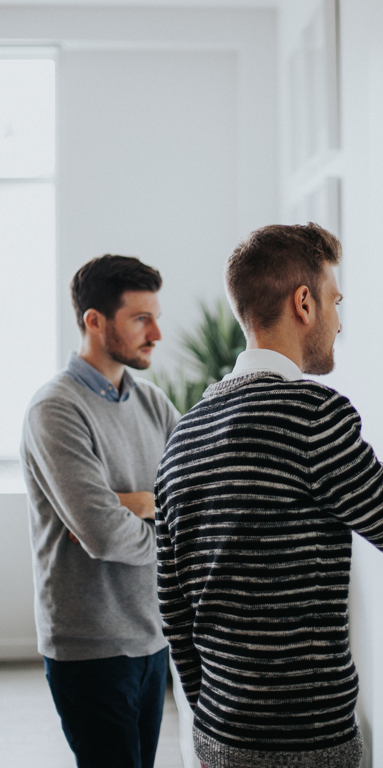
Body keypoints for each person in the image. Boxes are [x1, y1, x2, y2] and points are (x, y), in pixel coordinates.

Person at [155, 223, 383, 768]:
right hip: (307, 743)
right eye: (334, 301)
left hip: (217, 736)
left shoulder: (186, 432)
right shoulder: (313, 416)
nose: (339, 321)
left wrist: (214, 725)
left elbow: (174, 606)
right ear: (304, 302)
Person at [21, 255, 180, 768]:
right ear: (94, 320)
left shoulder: (153, 403)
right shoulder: (55, 409)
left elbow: (199, 495)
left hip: (153, 635)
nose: (156, 332)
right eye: (140, 318)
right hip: (90, 647)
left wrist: (130, 503)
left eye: (155, 316)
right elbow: (103, 536)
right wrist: (161, 521)